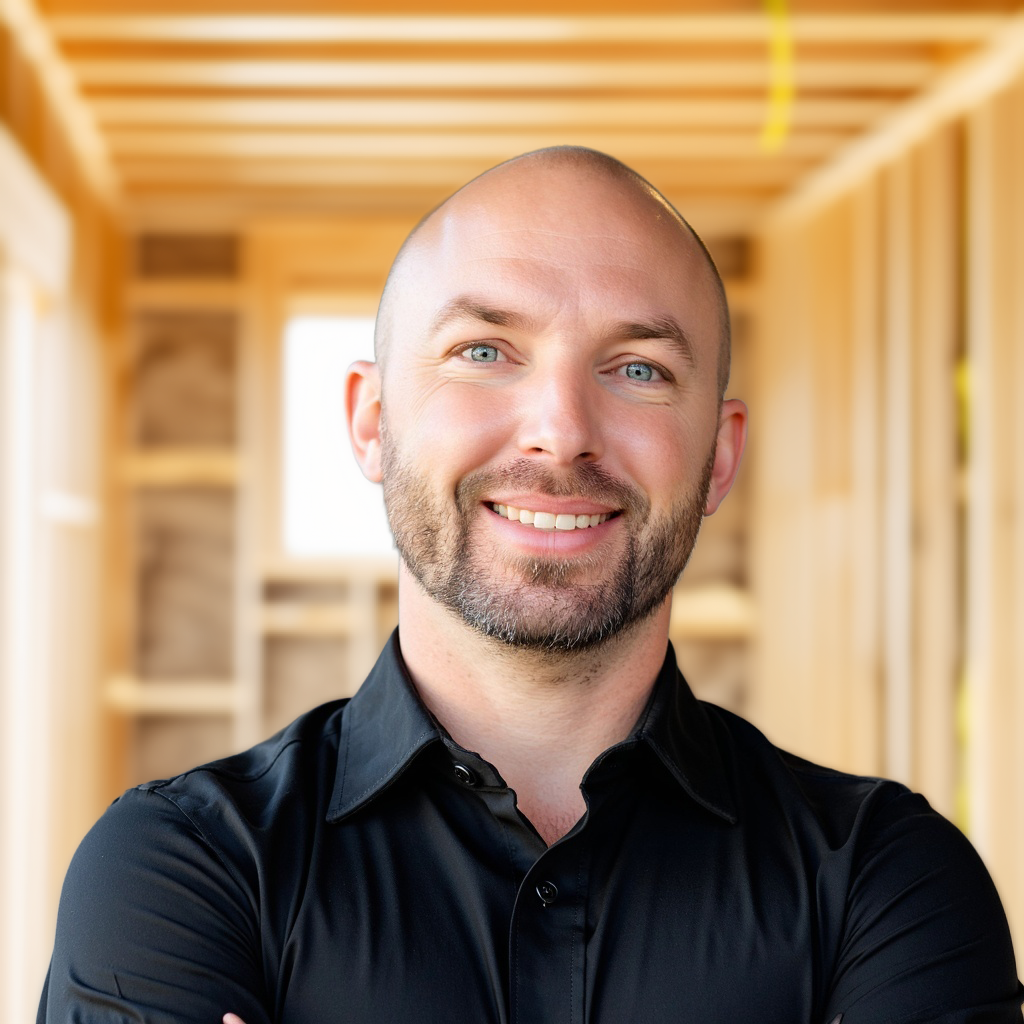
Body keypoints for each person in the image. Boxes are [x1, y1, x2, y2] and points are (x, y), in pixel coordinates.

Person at [40, 147, 1022, 1023]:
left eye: (636, 368)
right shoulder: (180, 873)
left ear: (718, 458)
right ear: (371, 422)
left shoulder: (887, 883)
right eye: (483, 353)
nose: (560, 429)